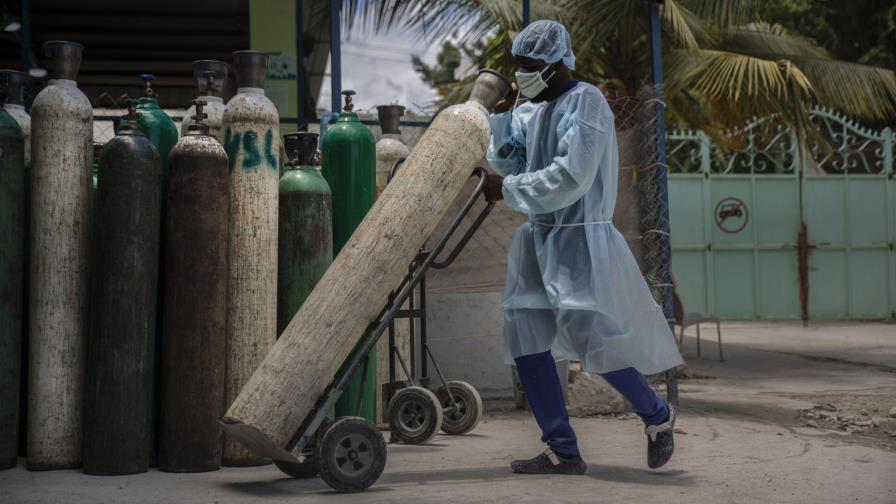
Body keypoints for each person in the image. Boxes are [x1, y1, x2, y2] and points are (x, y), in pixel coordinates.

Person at [483, 19, 684, 475]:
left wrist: (507, 188)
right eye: (518, 66)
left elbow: (572, 176)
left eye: (529, 65)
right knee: (525, 335)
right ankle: (562, 448)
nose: (522, 74)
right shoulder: (528, 110)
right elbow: (510, 160)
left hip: (579, 238)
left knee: (592, 339)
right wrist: (500, 120)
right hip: (537, 238)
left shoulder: (588, 102)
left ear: (555, 64)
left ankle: (656, 415)